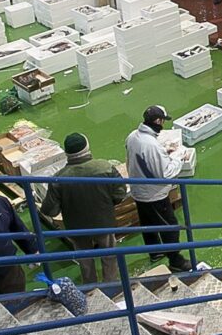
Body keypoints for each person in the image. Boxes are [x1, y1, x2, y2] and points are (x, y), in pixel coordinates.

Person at [40, 133, 126, 284]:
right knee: (109, 254)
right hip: (103, 222)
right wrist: (107, 204)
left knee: (85, 259)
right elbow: (120, 193)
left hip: (76, 227)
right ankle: (111, 284)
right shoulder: (104, 167)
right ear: (87, 148)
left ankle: (90, 287)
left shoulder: (58, 178)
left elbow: (50, 210)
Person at [126, 106, 190, 272]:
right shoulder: (151, 145)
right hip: (154, 195)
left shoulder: (133, 136)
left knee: (148, 224)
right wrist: (178, 158)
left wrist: (163, 153)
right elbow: (166, 174)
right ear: (158, 121)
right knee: (169, 226)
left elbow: (143, 159)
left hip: (138, 190)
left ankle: (155, 252)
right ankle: (176, 261)